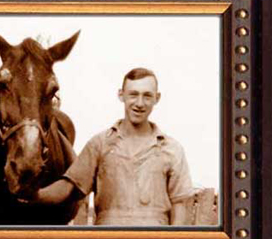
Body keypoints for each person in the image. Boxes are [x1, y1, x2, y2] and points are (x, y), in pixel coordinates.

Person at [33, 68, 193, 226]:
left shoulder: (172, 149)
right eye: (133, 94)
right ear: (121, 95)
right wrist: (33, 195)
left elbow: (180, 205)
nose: (139, 103)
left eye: (147, 96)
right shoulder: (100, 144)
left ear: (156, 98)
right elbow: (68, 187)